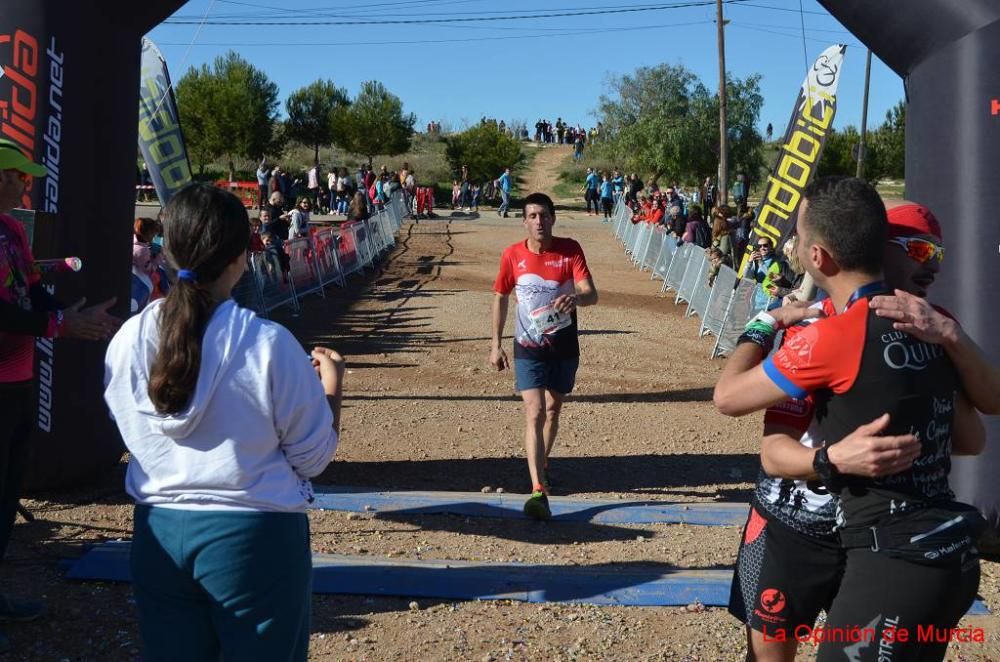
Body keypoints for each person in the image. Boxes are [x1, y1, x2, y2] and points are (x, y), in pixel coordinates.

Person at [714, 177, 986, 662]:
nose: (931, 267)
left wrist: (947, 340)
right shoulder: (816, 328)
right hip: (796, 524)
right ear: (874, 245)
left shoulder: (933, 324)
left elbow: (972, 435)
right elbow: (772, 450)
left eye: (939, 255)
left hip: (876, 539)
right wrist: (833, 458)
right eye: (920, 249)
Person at [104, 183, 345, 661]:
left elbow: (128, 422)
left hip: (160, 533)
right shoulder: (269, 344)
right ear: (240, 258)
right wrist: (332, 389)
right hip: (255, 539)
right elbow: (313, 458)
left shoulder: (129, 340)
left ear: (167, 251)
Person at [0, 140, 122, 654]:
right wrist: (59, 324)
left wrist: (76, 315)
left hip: (19, 379)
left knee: (8, 494)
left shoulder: (11, 231)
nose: (26, 185)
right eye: (18, 177)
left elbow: (31, 291)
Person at [489, 193, 598, 520]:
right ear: (524, 221)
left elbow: (591, 293)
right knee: (534, 411)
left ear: (553, 218)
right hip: (528, 346)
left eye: (544, 215)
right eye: (533, 216)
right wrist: (495, 344)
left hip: (563, 344)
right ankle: (538, 487)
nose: (539, 221)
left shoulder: (570, 250)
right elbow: (500, 297)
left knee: (553, 409)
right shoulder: (512, 255)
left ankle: (543, 461)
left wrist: (576, 299)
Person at [744, 236, 783, 311]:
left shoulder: (776, 261)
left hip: (769, 301)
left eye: (765, 245)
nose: (762, 248)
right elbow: (747, 276)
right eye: (759, 246)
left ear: (771, 247)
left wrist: (761, 263)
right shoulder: (756, 261)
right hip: (756, 301)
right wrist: (749, 262)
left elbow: (772, 278)